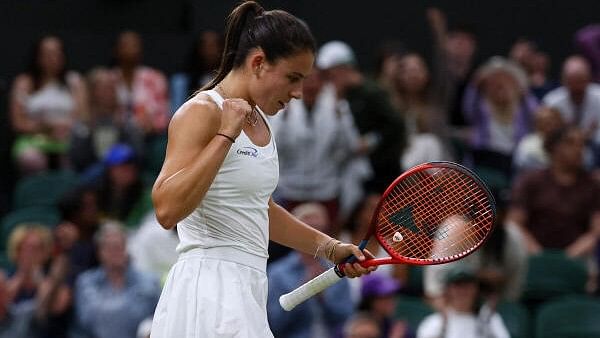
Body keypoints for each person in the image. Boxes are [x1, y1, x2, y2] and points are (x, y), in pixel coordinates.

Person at [149, 2, 375, 337]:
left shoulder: (263, 123)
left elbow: (259, 211)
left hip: (248, 286)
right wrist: (226, 134)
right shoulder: (201, 111)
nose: (298, 93)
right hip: (207, 290)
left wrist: (329, 247)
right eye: (292, 78)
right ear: (258, 63)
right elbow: (167, 209)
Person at [267, 203, 354, 338]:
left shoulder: (338, 269)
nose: (314, 238)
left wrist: (323, 297)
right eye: (308, 231)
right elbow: (274, 323)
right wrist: (304, 291)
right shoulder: (277, 273)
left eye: (319, 230)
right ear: (293, 235)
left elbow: (346, 317)